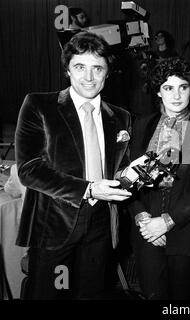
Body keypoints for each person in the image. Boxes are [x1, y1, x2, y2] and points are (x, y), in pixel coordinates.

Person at [15, 32, 133, 299]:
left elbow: (119, 168)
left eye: (97, 68)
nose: (89, 77)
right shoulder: (39, 105)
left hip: (101, 226)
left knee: (90, 293)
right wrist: (90, 189)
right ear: (67, 70)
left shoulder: (121, 117)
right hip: (54, 225)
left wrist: (133, 175)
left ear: (107, 73)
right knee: (52, 295)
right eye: (80, 67)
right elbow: (29, 169)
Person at [126, 57, 190, 299]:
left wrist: (166, 223)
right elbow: (129, 179)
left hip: (186, 231)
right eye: (168, 88)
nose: (176, 95)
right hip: (146, 231)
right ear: (158, 91)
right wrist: (141, 216)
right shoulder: (142, 125)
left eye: (183, 87)